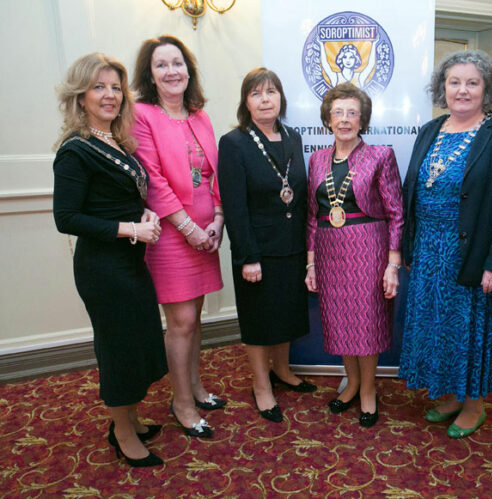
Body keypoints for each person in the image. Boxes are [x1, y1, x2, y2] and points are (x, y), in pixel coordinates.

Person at [398, 50, 492, 439]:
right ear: (443, 88)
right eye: (455, 82)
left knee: (470, 330)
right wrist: (409, 246)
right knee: (438, 327)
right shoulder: (430, 130)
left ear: (487, 90)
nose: (462, 90)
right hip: (429, 253)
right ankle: (451, 395)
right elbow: (413, 191)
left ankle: (474, 405)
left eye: (473, 82)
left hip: (473, 253)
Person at [53, 53, 168, 467]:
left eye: (116, 87)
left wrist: (144, 215)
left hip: (129, 264)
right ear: (80, 95)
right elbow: (66, 218)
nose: (109, 95)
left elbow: (120, 200)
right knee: (118, 349)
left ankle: (130, 417)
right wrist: (131, 230)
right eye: (99, 87)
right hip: (102, 268)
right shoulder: (76, 150)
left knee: (134, 341)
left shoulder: (115, 141)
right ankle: (121, 432)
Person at [131, 35, 224, 438]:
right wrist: (188, 229)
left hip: (207, 233)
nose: (172, 71)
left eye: (178, 63)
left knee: (196, 316)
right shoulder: (141, 115)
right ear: (150, 75)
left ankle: (197, 387)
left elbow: (215, 173)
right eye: (161, 65)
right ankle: (181, 402)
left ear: (189, 70)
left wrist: (218, 220)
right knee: (181, 321)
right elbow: (151, 180)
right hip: (172, 234)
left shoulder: (200, 115)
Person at [217, 68, 316, 423]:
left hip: (291, 246)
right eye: (256, 93)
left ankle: (283, 371)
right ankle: (262, 385)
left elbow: (300, 194)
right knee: (259, 321)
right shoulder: (234, 143)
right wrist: (247, 256)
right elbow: (234, 206)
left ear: (281, 98)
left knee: (287, 313)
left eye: (271, 92)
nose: (265, 99)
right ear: (246, 101)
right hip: (256, 250)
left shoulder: (293, 137)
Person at [305, 83, 403, 428]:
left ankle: (368, 390)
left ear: (362, 121)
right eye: (338, 113)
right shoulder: (316, 159)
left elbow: (396, 213)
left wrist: (393, 263)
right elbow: (312, 215)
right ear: (327, 119)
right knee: (340, 320)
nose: (344, 120)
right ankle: (353, 383)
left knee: (366, 319)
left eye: (352, 113)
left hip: (368, 246)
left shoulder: (380, 156)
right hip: (330, 250)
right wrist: (311, 262)